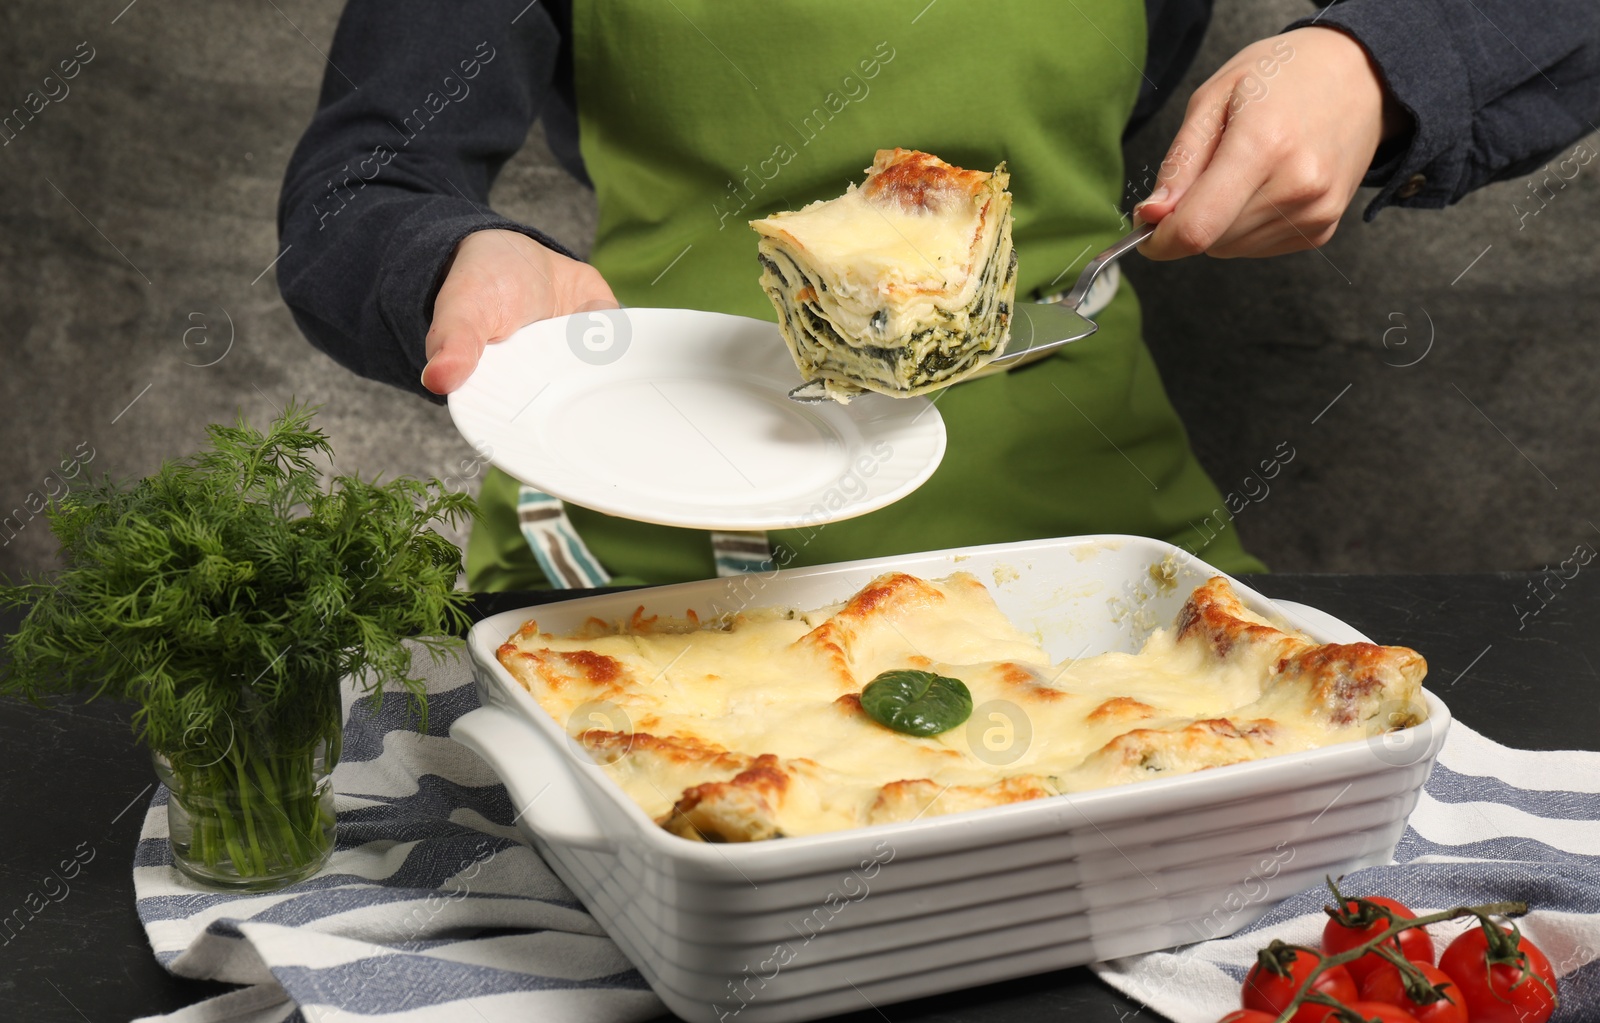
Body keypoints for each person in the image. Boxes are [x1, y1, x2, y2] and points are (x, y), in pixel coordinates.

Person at [278, 1, 1600, 592]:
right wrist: (450, 260)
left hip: (1093, 563)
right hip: (646, 560)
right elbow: (359, 185)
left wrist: (1379, 60)